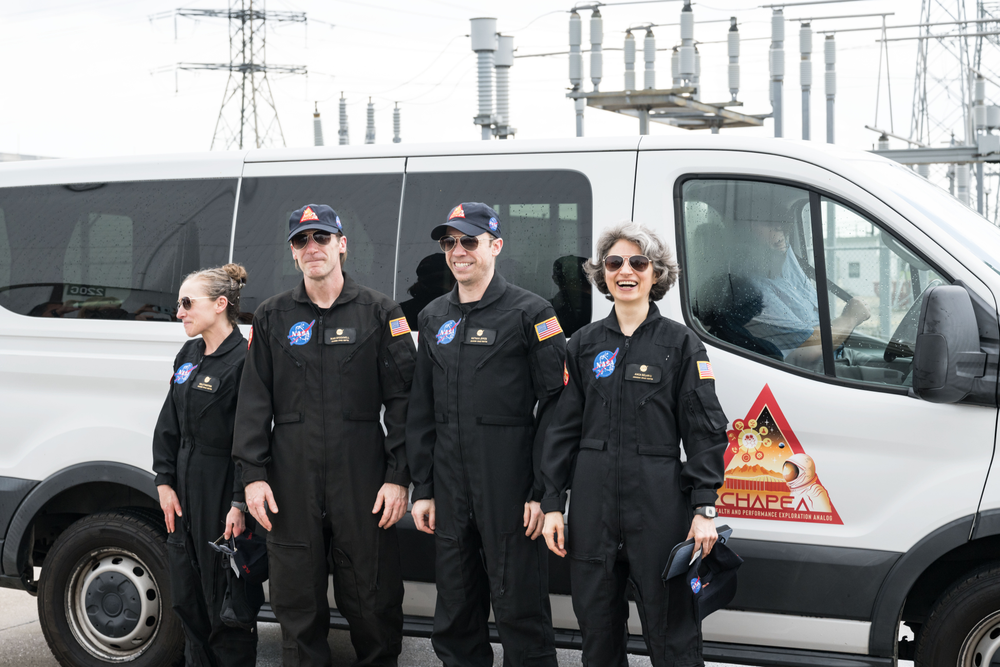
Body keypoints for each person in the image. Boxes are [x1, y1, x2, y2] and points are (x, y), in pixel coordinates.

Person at [232, 204, 415, 667]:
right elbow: (253, 403)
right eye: (301, 241)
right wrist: (253, 476)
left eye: (321, 238)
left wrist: (399, 475)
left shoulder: (381, 311)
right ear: (293, 253)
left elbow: (404, 401)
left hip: (363, 477)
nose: (312, 248)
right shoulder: (272, 316)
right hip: (291, 479)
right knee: (297, 602)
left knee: (372, 598)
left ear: (342, 244)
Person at [540, 221, 727, 667]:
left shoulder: (681, 345)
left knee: (673, 635)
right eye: (614, 262)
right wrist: (550, 502)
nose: (626, 271)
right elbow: (561, 431)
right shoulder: (582, 345)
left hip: (659, 511)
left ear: (656, 274)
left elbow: (705, 430)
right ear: (601, 274)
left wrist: (704, 509)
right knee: (598, 636)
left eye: (639, 262)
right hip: (592, 510)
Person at [406, 202, 566, 667]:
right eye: (449, 242)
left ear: (494, 246)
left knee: (519, 609)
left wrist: (544, 492)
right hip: (451, 488)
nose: (458, 251)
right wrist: (425, 488)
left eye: (469, 241)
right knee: (454, 611)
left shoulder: (531, 312)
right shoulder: (434, 316)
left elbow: (557, 407)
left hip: (510, 484)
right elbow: (422, 408)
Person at [152, 263, 258, 667]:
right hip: (182, 489)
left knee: (225, 609)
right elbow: (169, 422)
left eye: (186, 303)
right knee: (188, 601)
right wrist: (164, 479)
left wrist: (238, 502)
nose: (179, 312)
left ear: (219, 305)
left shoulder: (246, 360)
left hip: (222, 491)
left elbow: (252, 440)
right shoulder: (189, 353)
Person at [740, 219, 870, 367]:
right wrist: (849, 318)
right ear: (745, 230)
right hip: (817, 368)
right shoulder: (753, 289)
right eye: (766, 221)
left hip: (837, 354)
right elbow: (806, 350)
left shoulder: (783, 257)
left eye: (780, 218)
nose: (779, 225)